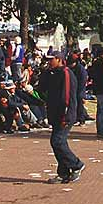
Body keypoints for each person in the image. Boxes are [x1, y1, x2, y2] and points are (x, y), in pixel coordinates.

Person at [38, 48, 83, 183]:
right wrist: (44, 72)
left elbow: (67, 97)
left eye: (51, 60)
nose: (49, 62)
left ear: (59, 59)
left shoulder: (66, 73)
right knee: (57, 142)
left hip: (65, 114)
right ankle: (63, 172)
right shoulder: (52, 73)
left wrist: (66, 116)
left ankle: (76, 164)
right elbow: (41, 89)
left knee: (57, 141)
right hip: (55, 112)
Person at [89, 46, 103, 139]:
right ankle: (101, 130)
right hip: (101, 89)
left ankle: (102, 129)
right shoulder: (98, 64)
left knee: (102, 110)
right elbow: (101, 77)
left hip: (101, 89)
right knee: (102, 110)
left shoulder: (100, 63)